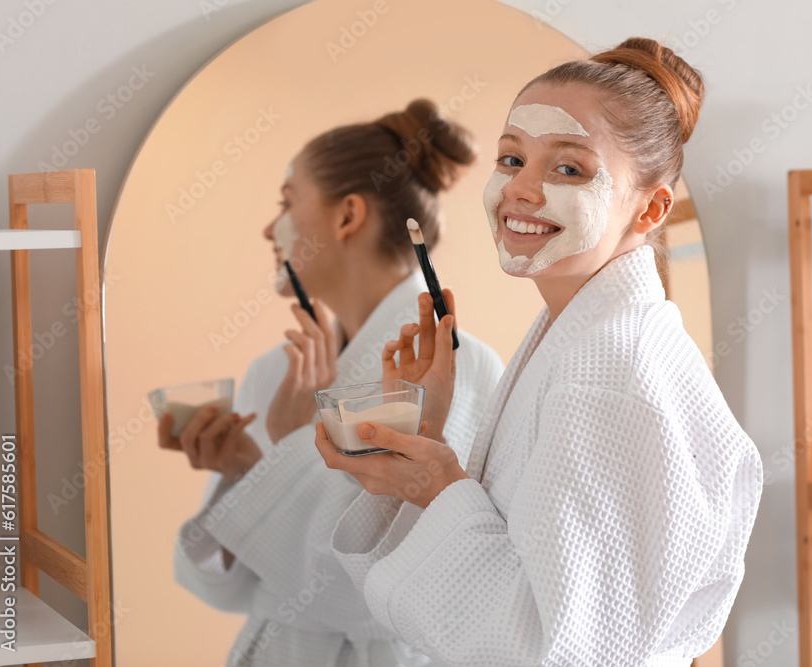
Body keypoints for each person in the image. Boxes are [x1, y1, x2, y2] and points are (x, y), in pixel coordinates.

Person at [315, 38, 764, 666]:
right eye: (510, 158)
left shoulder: (607, 370)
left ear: (652, 207)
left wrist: (438, 485)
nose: (520, 190)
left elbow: (558, 649)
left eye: (568, 169)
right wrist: (428, 434)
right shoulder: (577, 333)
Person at [158, 99, 505, 667]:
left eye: (287, 202)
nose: (270, 228)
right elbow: (221, 586)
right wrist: (238, 469)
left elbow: (394, 595)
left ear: (347, 216)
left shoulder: (450, 371)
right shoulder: (278, 371)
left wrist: (282, 453)